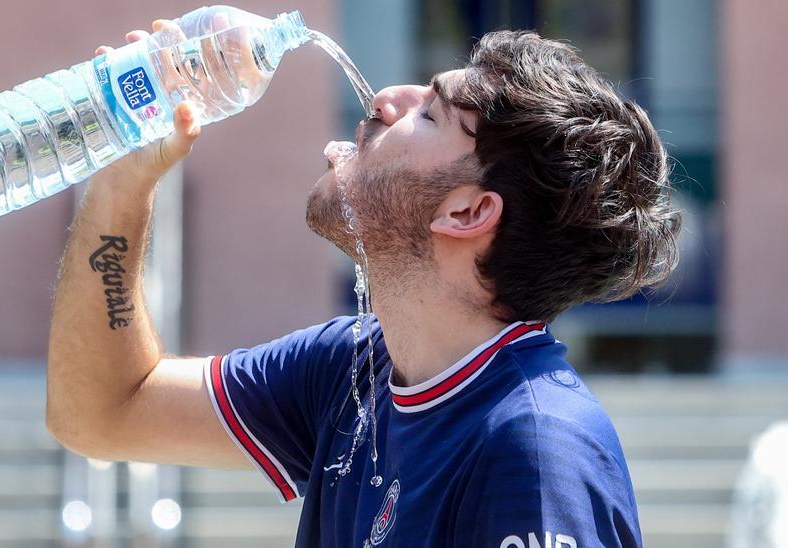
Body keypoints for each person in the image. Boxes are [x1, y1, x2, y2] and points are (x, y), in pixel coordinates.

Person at [46, 20, 681, 548]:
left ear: (465, 213)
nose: (385, 100)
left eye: (430, 112)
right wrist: (122, 183)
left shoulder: (536, 449)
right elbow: (103, 412)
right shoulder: (352, 369)